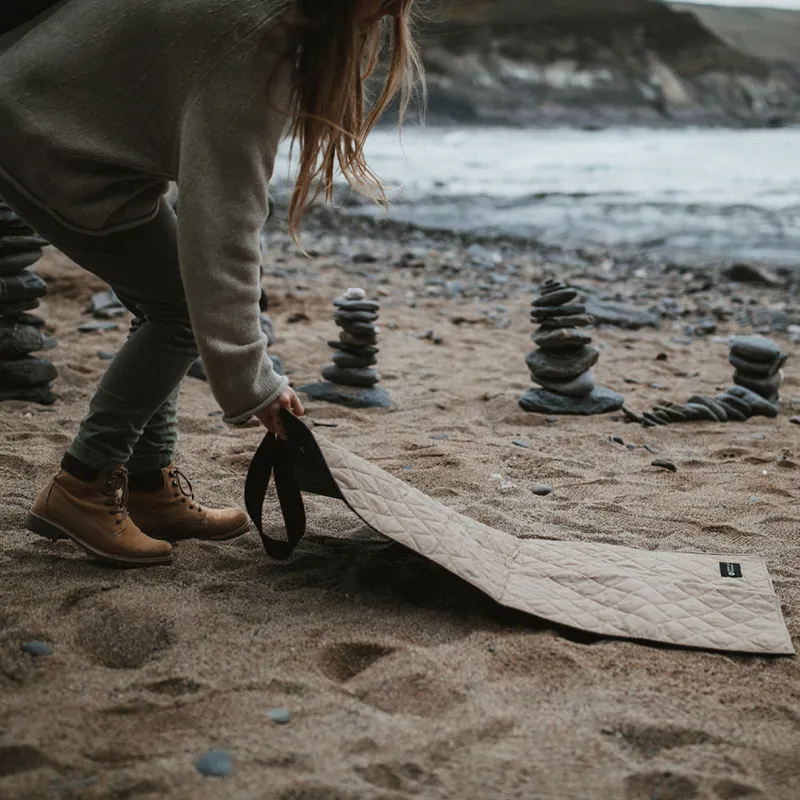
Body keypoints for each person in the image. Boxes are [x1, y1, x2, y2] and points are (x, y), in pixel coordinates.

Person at [0, 0, 422, 566]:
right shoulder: (256, 40)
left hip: (44, 109)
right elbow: (222, 225)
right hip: (41, 133)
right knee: (176, 308)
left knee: (166, 298)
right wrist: (255, 382)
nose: (397, 6)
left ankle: (149, 486)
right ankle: (82, 482)